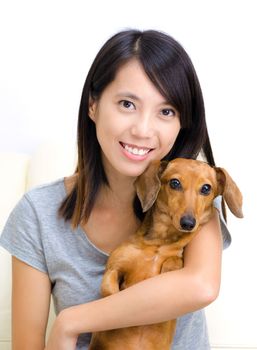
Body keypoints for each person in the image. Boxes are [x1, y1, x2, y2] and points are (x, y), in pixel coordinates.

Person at [0, 29, 231, 350]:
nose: (143, 129)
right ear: (93, 106)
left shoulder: (194, 205)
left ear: (182, 124)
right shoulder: (37, 214)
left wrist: (73, 321)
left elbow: (201, 285)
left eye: (166, 111)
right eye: (127, 104)